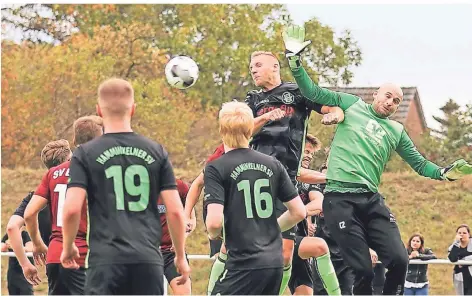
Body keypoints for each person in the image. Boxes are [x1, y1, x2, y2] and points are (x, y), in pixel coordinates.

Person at [282, 24, 472, 295]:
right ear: (375, 94)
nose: (391, 102)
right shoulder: (351, 105)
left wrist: (443, 172)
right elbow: (312, 92)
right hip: (339, 200)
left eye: (396, 101)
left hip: (370, 200)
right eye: (387, 96)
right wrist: (295, 60)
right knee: (362, 269)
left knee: (399, 260)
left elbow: (419, 163)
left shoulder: (396, 131)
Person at [61, 78, 190, 295]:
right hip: (148, 259)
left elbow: (72, 208)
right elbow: (175, 211)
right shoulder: (155, 151)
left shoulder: (85, 154)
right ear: (133, 110)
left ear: (98, 110)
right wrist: (179, 255)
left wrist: (68, 247)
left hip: (105, 260)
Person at [246, 50, 344, 294]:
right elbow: (242, 131)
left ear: (275, 67)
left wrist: (334, 115)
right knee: (277, 253)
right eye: (251, 67)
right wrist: (265, 118)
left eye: (258, 65)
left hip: (287, 181)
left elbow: (332, 107)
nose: (253, 70)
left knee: (293, 261)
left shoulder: (296, 92)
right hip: (256, 180)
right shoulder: (253, 100)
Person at [204, 101, 307, 295]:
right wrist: (270, 229)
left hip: (243, 264)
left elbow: (214, 223)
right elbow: (299, 212)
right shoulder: (273, 164)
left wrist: (213, 234)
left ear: (221, 130)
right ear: (251, 129)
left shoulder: (216, 167)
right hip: (273, 264)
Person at [24, 116, 103, 295]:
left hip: (54, 256)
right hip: (82, 256)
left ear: (74, 141)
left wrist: (37, 243)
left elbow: (29, 214)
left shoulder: (53, 173)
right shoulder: (98, 170)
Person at [5, 139, 69, 286]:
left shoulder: (35, 198)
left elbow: (12, 227)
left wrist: (25, 264)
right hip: (81, 258)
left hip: (53, 262)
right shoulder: (79, 189)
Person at [288, 134, 341, 295]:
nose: (308, 155)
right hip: (275, 239)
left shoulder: (307, 181)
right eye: (305, 151)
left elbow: (319, 203)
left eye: (311, 153)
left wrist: (300, 213)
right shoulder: (280, 172)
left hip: (299, 238)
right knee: (319, 246)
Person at [159, 178, 194, 295]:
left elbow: (191, 219)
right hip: (146, 252)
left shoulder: (178, 186)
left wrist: (182, 237)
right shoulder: (134, 185)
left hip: (171, 253)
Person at [2, 228, 34, 295]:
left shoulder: (25, 234)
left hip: (25, 271)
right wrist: (6, 245)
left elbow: (30, 248)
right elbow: (2, 247)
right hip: (13, 271)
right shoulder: (9, 235)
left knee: (26, 292)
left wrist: (15, 246)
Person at [448, 224, 472, 295]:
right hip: (460, 277)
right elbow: (452, 258)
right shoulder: (454, 245)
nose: (462, 235)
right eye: (459, 233)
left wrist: (464, 261)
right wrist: (456, 243)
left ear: (469, 234)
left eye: (464, 233)